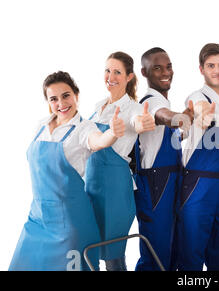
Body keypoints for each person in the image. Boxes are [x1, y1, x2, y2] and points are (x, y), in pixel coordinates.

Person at [9, 71, 125, 271]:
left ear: (76, 95)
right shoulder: (41, 126)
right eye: (54, 99)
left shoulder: (83, 128)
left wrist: (112, 134)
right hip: (37, 218)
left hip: (69, 223)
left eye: (66, 95)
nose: (61, 103)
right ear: (48, 102)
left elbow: (98, 141)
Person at [177, 43, 219, 271]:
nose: (217, 70)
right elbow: (198, 108)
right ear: (201, 69)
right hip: (199, 186)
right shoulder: (197, 97)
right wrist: (202, 117)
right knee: (192, 251)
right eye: (211, 66)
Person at [85, 51, 155, 271]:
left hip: (115, 189)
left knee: (113, 254)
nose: (110, 76)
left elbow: (138, 122)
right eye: (107, 70)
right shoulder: (98, 106)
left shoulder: (133, 109)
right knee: (90, 249)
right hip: (91, 187)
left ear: (129, 77)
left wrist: (142, 123)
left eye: (117, 72)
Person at [133, 47, 193, 271]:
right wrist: (180, 118)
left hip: (172, 182)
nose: (165, 72)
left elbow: (170, 133)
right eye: (157, 68)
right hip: (155, 187)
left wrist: (187, 125)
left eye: (168, 67)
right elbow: (163, 117)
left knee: (173, 250)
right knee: (156, 253)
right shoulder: (151, 102)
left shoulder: (165, 101)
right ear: (144, 72)